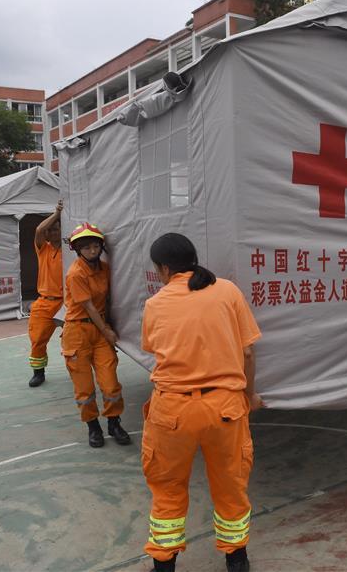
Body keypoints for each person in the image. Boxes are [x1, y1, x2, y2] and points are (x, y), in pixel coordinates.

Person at [140, 233, 262, 572]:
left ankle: (164, 564)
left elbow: (154, 349)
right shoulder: (228, 291)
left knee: (167, 488)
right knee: (230, 484)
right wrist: (249, 397)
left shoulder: (155, 304)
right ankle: (236, 558)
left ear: (164, 268)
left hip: (172, 412)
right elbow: (248, 351)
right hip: (224, 408)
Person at [62, 222, 131, 448]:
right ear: (78, 250)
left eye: (96, 246)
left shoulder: (104, 269)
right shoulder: (75, 273)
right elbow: (89, 307)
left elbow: (108, 299)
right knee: (84, 388)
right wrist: (108, 331)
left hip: (100, 329)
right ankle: (93, 427)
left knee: (110, 383)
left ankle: (114, 422)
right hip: (78, 331)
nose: (92, 251)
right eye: (87, 247)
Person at [27, 200, 64, 387]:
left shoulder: (71, 250)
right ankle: (38, 373)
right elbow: (39, 231)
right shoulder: (43, 248)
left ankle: (79, 370)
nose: (50, 233)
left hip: (66, 303)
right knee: (37, 339)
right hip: (44, 302)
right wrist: (56, 214)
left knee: (75, 340)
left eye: (55, 229)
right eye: (49, 230)